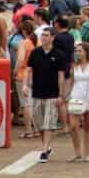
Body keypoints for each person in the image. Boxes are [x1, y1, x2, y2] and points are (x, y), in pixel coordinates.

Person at [27, 28, 63, 163]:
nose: (43, 38)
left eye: (46, 36)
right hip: (37, 92)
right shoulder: (35, 53)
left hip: (52, 94)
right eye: (42, 35)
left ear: (52, 38)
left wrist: (60, 94)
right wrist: (26, 84)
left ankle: (44, 149)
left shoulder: (58, 54)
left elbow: (60, 75)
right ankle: (46, 146)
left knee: (48, 124)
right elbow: (29, 69)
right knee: (40, 124)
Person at [67, 43, 89, 162]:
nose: (77, 53)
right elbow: (71, 83)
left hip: (88, 99)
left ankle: (86, 154)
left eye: (80, 51)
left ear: (86, 52)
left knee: (88, 126)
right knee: (73, 126)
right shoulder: (74, 67)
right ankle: (77, 153)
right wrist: (68, 96)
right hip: (76, 97)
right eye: (76, 51)